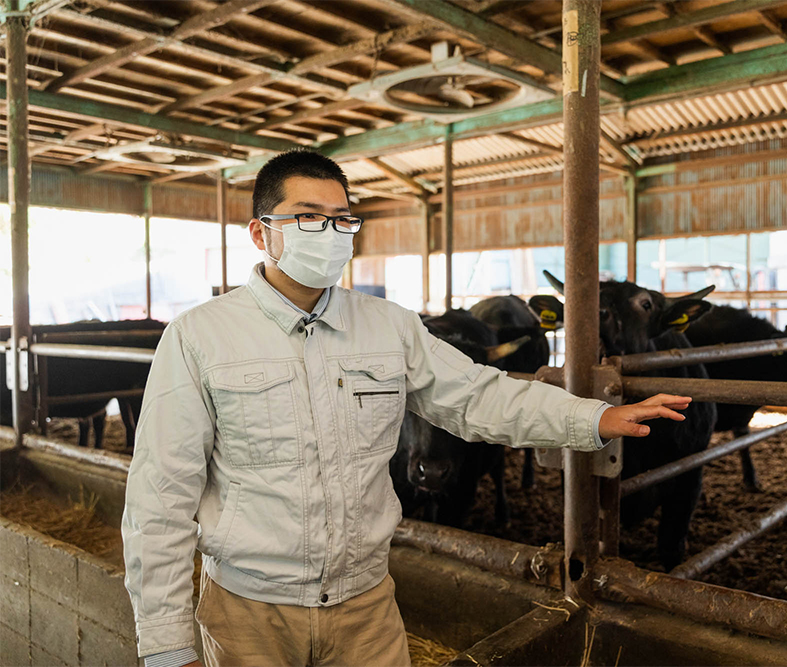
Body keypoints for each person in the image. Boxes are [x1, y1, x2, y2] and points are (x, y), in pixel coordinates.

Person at [122, 150, 692, 667]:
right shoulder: (200, 337)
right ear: (260, 232)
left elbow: (476, 395)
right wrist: (167, 645)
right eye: (307, 217)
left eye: (341, 219)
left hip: (365, 607)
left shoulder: (388, 326)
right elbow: (160, 493)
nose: (329, 232)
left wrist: (590, 417)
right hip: (249, 613)